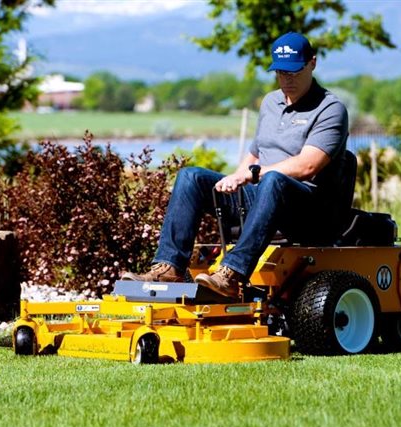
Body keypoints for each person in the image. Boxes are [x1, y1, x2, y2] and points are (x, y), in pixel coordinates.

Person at [121, 32, 349, 297]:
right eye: (281, 72)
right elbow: (255, 153)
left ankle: (232, 274)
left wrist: (253, 175)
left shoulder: (330, 109)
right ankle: (169, 266)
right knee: (191, 177)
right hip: (263, 193)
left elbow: (308, 165)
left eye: (295, 72)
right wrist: (236, 176)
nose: (288, 79)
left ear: (312, 63)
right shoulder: (270, 102)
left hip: (308, 208)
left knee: (274, 181)